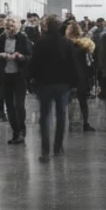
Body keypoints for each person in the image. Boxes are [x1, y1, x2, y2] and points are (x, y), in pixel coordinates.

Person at [28, 16, 79, 161]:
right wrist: (74, 83)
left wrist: (31, 79)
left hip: (44, 83)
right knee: (61, 115)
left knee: (44, 116)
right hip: (62, 84)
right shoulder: (67, 43)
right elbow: (73, 65)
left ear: (47, 27)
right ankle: (58, 147)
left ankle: (45, 150)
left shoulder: (40, 43)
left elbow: (34, 63)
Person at [0, 16, 32, 145]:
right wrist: (1, 55)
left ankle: (22, 130)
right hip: (5, 75)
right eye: (7, 26)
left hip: (19, 76)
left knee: (19, 105)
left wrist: (20, 56)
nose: (9, 29)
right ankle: (15, 132)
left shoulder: (23, 38)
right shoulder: (1, 38)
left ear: (17, 27)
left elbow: (29, 56)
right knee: (9, 105)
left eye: (11, 26)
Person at [67, 20, 97, 132]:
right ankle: (85, 123)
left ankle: (70, 124)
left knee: (70, 101)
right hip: (82, 76)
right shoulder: (85, 45)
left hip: (69, 76)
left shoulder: (65, 45)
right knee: (83, 102)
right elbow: (90, 63)